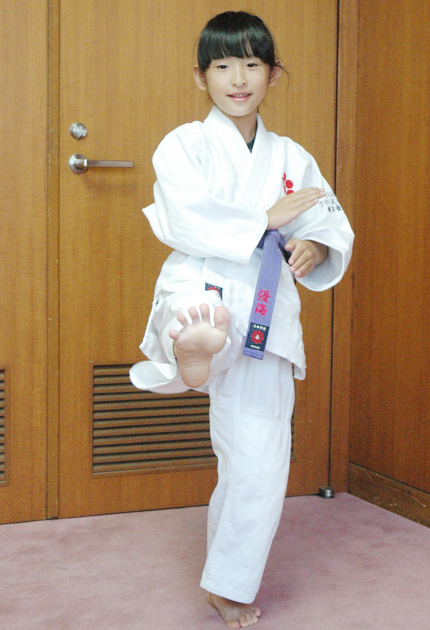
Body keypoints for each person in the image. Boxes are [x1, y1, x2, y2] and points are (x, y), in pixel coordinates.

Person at [130, 10, 354, 628]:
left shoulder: (292, 156)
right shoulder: (185, 144)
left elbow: (327, 220)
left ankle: (228, 585)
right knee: (198, 315)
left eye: (252, 64)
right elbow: (182, 215)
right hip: (202, 283)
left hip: (265, 310)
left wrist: (315, 247)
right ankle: (193, 346)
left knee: (259, 456)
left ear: (273, 74)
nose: (238, 79)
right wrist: (267, 220)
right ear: (200, 76)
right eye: (223, 65)